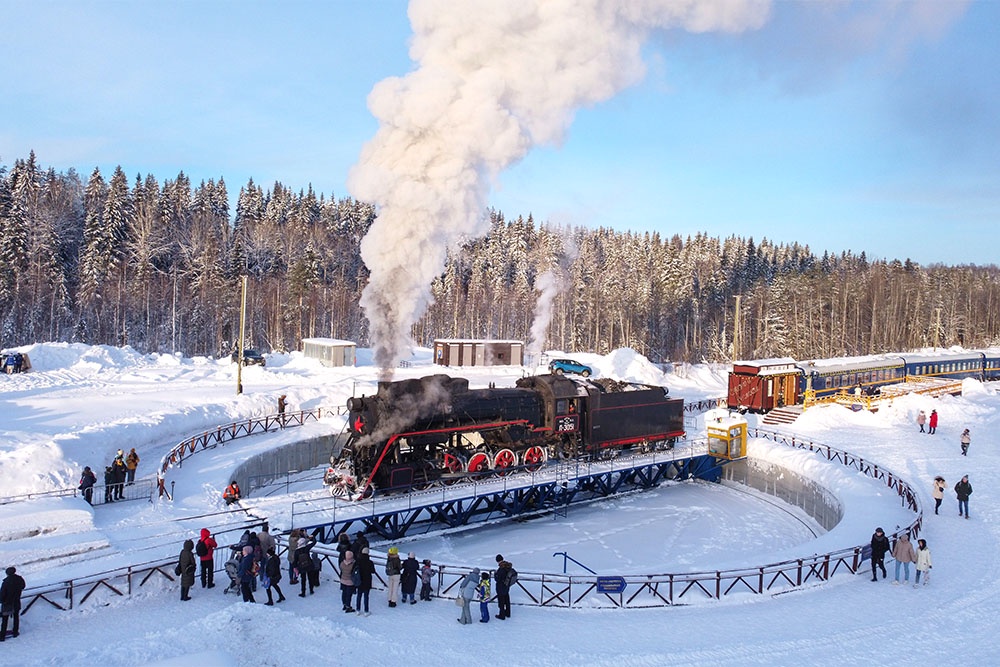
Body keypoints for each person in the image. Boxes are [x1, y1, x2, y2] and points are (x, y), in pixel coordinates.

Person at [0, 566, 26, 641]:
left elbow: (2, 594)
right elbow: (23, 586)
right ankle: (15, 632)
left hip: (7, 603)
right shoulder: (20, 579)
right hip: (16, 601)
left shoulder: (6, 582)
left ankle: (2, 636)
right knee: (16, 617)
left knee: (5, 620)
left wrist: (2, 601)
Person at [295, 532, 317, 597]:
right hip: (309, 564)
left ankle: (303, 592)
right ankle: (311, 590)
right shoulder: (306, 548)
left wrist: (295, 567)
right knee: (310, 578)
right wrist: (313, 537)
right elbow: (314, 542)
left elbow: (295, 561)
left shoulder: (296, 551)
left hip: (302, 566)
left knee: (303, 579)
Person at [355, 546, 376, 616]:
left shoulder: (358, 561)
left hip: (359, 580)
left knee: (359, 595)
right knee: (366, 596)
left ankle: (358, 609)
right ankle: (366, 611)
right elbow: (373, 571)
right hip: (367, 581)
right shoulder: (370, 562)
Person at [495, 555, 515, 620]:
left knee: (501, 601)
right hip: (507, 586)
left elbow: (498, 579)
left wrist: (495, 574)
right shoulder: (508, 566)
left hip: (501, 587)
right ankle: (508, 613)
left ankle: (502, 615)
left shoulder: (501, 568)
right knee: (507, 600)